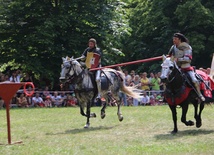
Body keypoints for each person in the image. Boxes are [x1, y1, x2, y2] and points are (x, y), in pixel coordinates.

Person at [168, 32, 205, 101]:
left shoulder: (187, 47)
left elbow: (188, 59)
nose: (173, 40)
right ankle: (167, 96)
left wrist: (177, 59)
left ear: (180, 39)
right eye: (173, 39)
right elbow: (169, 56)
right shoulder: (173, 47)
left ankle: (199, 95)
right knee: (167, 78)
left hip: (186, 67)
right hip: (175, 68)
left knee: (194, 80)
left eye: (175, 39)